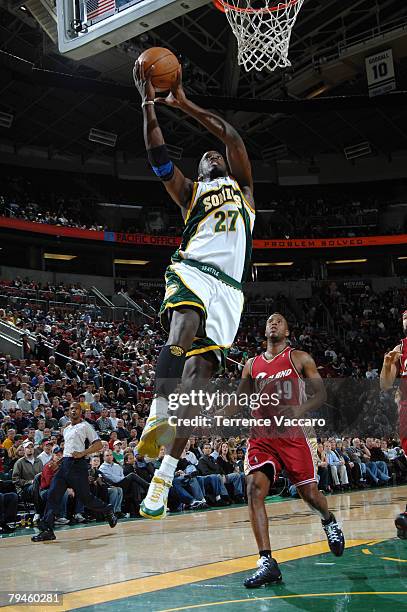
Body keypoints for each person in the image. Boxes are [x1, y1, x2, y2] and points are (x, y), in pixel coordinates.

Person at [133, 60, 255, 520]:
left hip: (230, 292)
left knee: (197, 387)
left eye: (216, 155)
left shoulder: (244, 191)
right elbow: (158, 157)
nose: (214, 155)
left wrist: (184, 102)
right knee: (182, 326)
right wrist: (149, 105)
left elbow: (233, 138)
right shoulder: (190, 193)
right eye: (206, 157)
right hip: (193, 270)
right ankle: (155, 415)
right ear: (200, 172)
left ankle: (162, 481)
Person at [222, 313, 345, 587]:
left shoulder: (299, 358)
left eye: (278, 320)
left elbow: (321, 395)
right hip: (262, 434)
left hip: (291, 434)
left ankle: (329, 520)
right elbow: (239, 399)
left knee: (309, 494)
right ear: (264, 331)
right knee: (253, 487)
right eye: (269, 321)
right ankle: (267, 562)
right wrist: (217, 412)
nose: (273, 323)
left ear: (288, 330)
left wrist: (298, 409)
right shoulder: (251, 364)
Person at [31, 402, 117, 542]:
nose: (73, 411)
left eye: (76, 409)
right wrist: (58, 463)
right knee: (53, 494)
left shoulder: (85, 426)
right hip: (65, 464)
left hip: (78, 465)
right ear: (69, 412)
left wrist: (83, 453)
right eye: (71, 409)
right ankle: (47, 530)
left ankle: (107, 509)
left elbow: (99, 444)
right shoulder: (66, 429)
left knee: (85, 498)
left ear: (80, 411)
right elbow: (68, 450)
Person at [380, 309, 407, 538]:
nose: (406, 320)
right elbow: (385, 385)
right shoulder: (400, 349)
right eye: (404, 317)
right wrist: (387, 364)